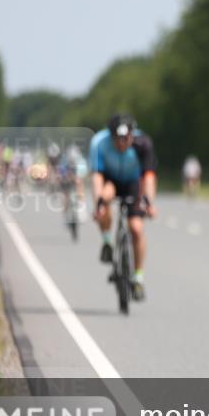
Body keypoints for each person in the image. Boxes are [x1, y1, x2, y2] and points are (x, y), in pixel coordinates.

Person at [89, 115, 158, 301]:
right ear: (111, 136)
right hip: (111, 180)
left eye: (126, 139)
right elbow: (97, 177)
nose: (122, 144)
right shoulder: (99, 143)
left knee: (136, 228)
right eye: (118, 139)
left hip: (133, 183)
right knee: (104, 200)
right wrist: (98, 205)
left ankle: (138, 277)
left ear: (132, 135)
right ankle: (106, 241)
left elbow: (149, 176)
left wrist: (149, 203)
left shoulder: (143, 143)